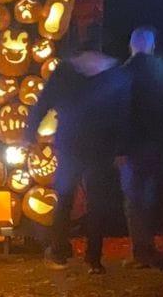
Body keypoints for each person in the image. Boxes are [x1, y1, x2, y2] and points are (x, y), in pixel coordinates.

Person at [25, 42, 121, 269]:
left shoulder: (66, 73)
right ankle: (93, 258)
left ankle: (60, 251)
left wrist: (30, 131)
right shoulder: (110, 74)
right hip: (98, 145)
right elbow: (120, 110)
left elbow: (45, 102)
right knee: (94, 201)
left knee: (67, 197)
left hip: (73, 143)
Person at [117, 25, 163, 267]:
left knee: (133, 199)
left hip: (131, 146)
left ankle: (140, 252)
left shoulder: (123, 74)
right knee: (150, 197)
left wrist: (118, 149)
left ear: (131, 45)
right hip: (158, 144)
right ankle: (150, 247)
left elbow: (119, 113)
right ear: (151, 45)